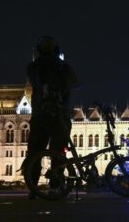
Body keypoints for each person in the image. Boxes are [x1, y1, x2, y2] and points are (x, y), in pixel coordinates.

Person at [26, 36, 79, 199]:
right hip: (59, 117)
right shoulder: (64, 68)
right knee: (59, 153)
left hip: (40, 116)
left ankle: (33, 188)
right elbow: (74, 83)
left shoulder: (34, 67)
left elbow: (32, 80)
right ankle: (55, 186)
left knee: (35, 152)